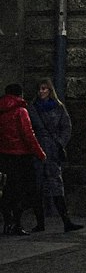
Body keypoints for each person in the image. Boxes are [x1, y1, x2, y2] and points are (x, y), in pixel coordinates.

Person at [28, 79, 83, 234]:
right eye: (39, 89)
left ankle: (66, 220)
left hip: (52, 149)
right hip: (38, 149)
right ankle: (40, 223)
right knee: (37, 186)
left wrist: (59, 143)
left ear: (49, 90)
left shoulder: (58, 107)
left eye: (44, 89)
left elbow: (66, 126)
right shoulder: (33, 108)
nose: (41, 92)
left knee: (56, 184)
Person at [0, 82, 45, 236]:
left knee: (7, 191)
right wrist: (40, 153)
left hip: (5, 156)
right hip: (21, 156)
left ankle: (7, 222)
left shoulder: (2, 111)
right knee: (20, 192)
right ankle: (17, 224)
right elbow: (28, 135)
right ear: (20, 94)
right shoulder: (21, 111)